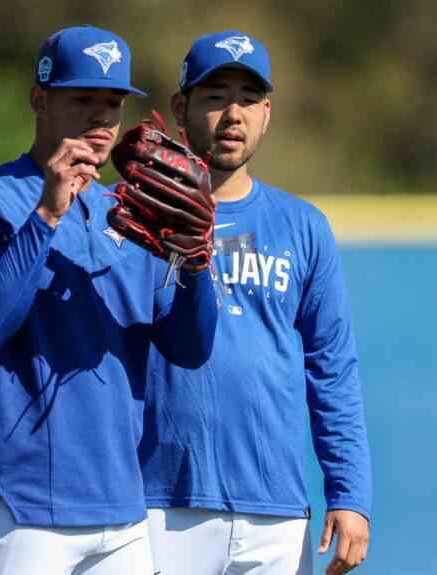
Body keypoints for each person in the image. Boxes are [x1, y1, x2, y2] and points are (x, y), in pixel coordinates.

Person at [0, 25, 218, 575]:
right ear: (39, 99)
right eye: (82, 98)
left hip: (122, 507)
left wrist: (196, 265)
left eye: (113, 103)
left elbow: (189, 347)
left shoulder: (133, 213)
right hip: (21, 504)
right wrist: (47, 215)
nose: (101, 118)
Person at [138, 30, 372, 575]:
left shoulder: (303, 226)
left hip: (275, 510)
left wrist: (350, 494)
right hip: (158, 501)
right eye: (215, 96)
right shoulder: (135, 216)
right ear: (181, 107)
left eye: (247, 99)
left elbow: (332, 370)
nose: (232, 115)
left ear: (267, 113)